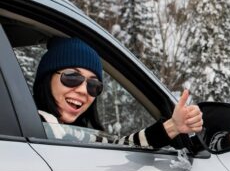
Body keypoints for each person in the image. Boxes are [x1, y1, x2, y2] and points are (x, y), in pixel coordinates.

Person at [33, 37, 203, 148]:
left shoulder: (78, 134)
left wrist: (173, 126)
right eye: (72, 77)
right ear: (47, 78)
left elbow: (121, 146)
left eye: (93, 85)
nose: (83, 90)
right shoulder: (32, 124)